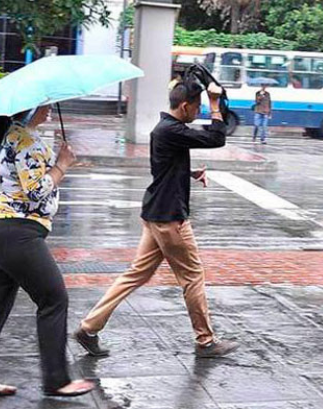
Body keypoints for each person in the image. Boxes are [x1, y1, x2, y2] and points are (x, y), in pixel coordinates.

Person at [74, 77, 239, 358]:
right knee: (193, 276)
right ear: (184, 106)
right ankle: (206, 341)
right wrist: (215, 105)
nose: (198, 111)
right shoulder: (171, 130)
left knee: (135, 274)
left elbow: (164, 167)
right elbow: (216, 137)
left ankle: (89, 328)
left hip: (155, 214)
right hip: (170, 219)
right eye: (197, 106)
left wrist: (188, 173)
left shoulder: (165, 129)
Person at [0, 106, 93, 399]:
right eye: (44, 104)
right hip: (16, 233)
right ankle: (57, 380)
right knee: (54, 298)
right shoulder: (26, 141)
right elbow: (37, 191)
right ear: (29, 108)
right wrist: (62, 164)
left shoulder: (5, 136)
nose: (48, 108)